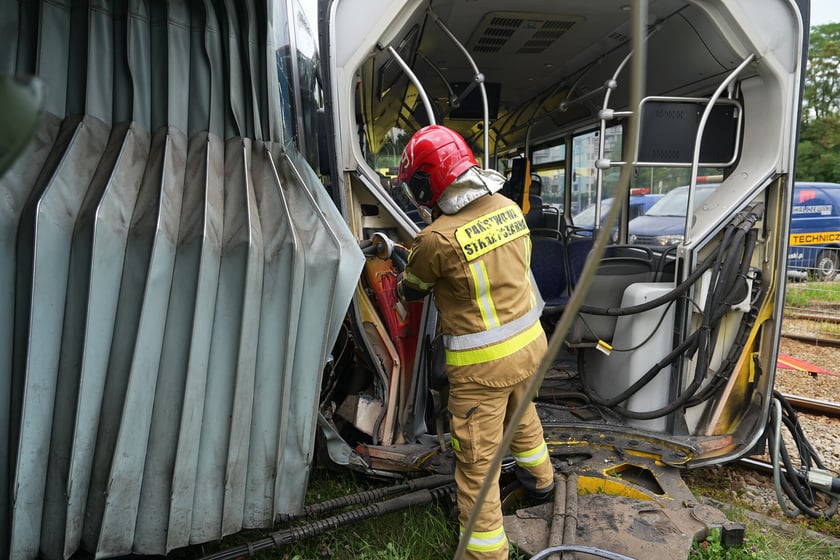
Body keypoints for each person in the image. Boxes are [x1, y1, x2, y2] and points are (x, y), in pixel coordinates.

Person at [395, 125, 554, 560]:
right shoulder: (507, 207)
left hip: (483, 368)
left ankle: (484, 553)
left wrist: (403, 266)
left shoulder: (436, 239)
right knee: (521, 414)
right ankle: (541, 481)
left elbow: (412, 286)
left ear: (428, 184)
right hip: (531, 344)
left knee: (477, 464)